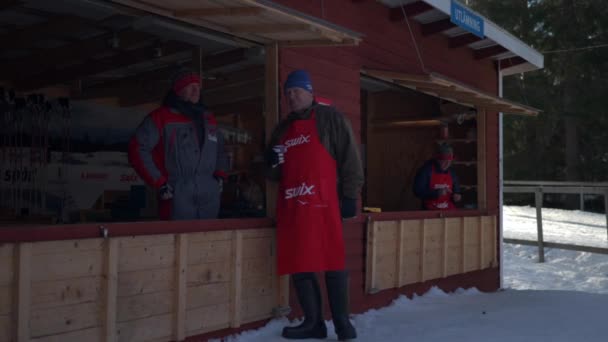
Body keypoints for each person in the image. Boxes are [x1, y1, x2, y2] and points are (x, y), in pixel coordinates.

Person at [266, 70, 364, 341]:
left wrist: (349, 197)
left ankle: (342, 323)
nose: (291, 96)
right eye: (288, 93)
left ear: (309, 92)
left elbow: (350, 159)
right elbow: (274, 174)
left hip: (323, 204)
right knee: (300, 263)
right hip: (293, 206)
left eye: (296, 91)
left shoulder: (330, 118)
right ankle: (313, 323)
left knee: (332, 260)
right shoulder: (281, 130)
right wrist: (271, 161)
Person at [128, 68, 228, 220]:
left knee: (207, 240)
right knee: (177, 239)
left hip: (209, 193)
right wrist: (159, 182)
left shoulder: (209, 119)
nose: (196, 90)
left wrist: (220, 175)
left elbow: (220, 150)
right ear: (178, 90)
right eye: (190, 86)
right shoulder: (161, 118)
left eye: (198, 86)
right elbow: (137, 148)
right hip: (176, 192)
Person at [413, 142, 462, 210]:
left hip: (448, 208)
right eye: (444, 161)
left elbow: (456, 190)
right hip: (430, 210)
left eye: (449, 161)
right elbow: (417, 191)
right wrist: (436, 193)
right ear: (438, 159)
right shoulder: (426, 170)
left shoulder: (452, 172)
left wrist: (457, 195)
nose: (447, 164)